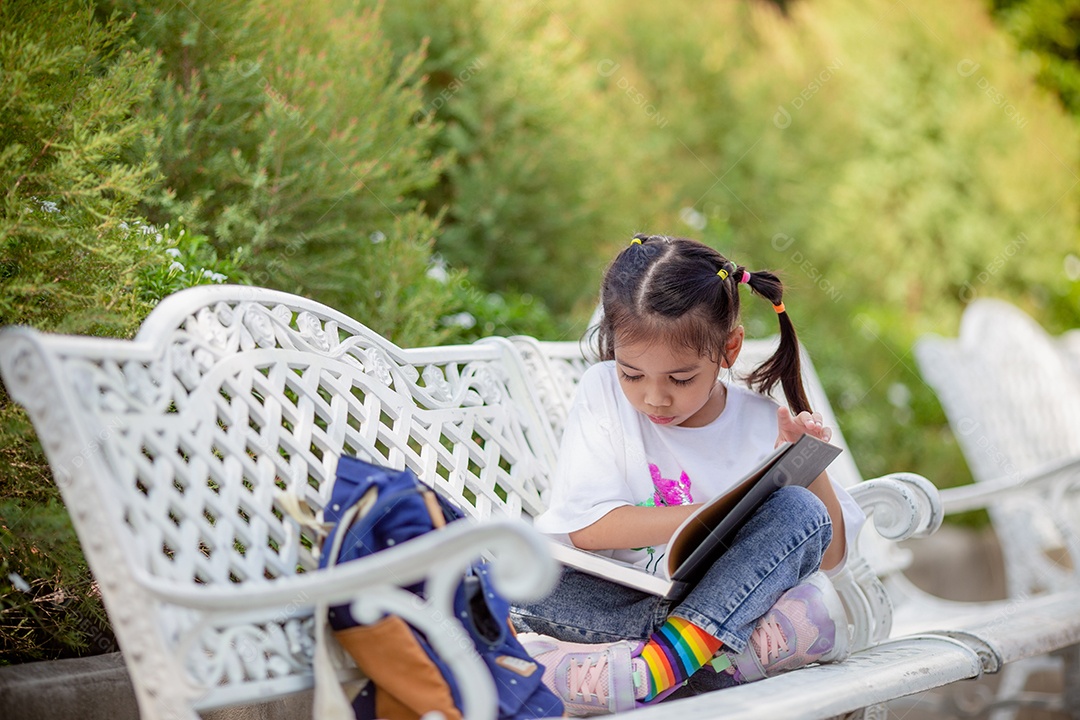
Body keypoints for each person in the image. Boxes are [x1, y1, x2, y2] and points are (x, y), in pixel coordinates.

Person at [511, 234, 867, 715]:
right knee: (496, 571)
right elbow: (588, 529)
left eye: (681, 379)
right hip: (616, 602)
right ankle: (717, 662)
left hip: (717, 603)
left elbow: (832, 553)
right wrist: (713, 516)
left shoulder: (760, 422)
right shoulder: (601, 394)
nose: (655, 398)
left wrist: (804, 460)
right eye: (632, 374)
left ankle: (650, 672)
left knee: (799, 509)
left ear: (730, 349)